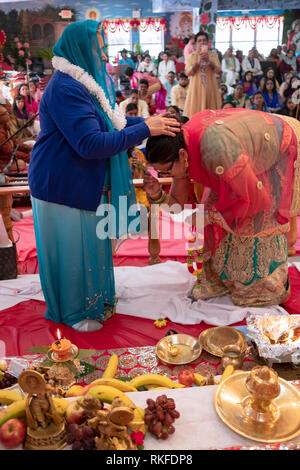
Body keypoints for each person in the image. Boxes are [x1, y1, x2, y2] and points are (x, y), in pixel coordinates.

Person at [28, 20, 180, 331]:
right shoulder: (67, 88)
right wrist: (144, 129)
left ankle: (94, 300)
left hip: (83, 181)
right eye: (97, 50)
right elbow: (89, 143)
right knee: (73, 251)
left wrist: (145, 121)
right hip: (61, 184)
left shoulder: (84, 84)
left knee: (91, 246)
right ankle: (72, 313)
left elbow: (109, 121)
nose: (103, 56)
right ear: (80, 51)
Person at [143, 108, 300, 307]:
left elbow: (256, 199)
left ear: (182, 155)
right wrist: (157, 193)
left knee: (254, 220)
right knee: (212, 207)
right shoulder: (184, 147)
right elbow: (177, 205)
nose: (166, 175)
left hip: (280, 146)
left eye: (166, 171)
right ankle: (219, 280)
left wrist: (211, 217)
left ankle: (262, 288)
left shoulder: (217, 150)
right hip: (235, 152)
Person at [183, 31, 221, 118]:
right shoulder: (192, 56)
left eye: (204, 40)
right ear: (196, 43)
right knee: (195, 112)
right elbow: (188, 72)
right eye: (199, 41)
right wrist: (197, 62)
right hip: (196, 87)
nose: (202, 42)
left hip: (210, 87)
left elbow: (218, 69)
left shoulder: (213, 55)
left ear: (207, 42)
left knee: (211, 114)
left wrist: (209, 61)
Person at [0, 104, 31, 172]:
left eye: (7, 112)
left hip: (10, 155)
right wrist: (28, 158)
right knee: (21, 164)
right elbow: (10, 152)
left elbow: (15, 143)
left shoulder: (5, 126)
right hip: (4, 160)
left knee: (32, 151)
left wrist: (28, 148)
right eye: (5, 113)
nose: (8, 114)